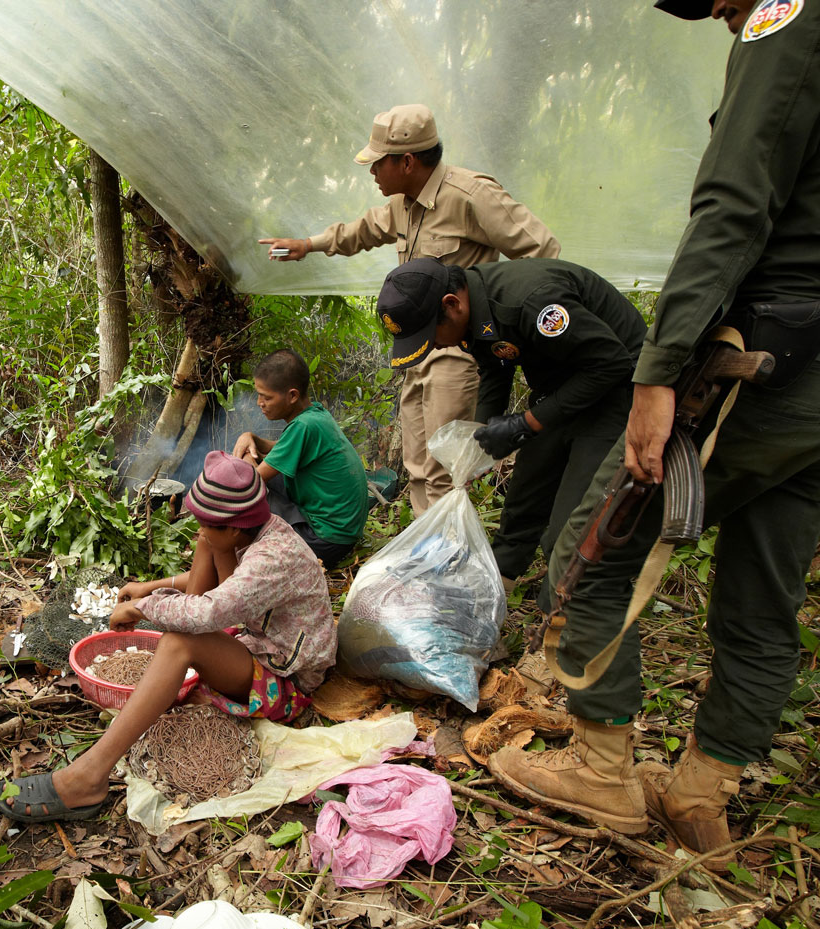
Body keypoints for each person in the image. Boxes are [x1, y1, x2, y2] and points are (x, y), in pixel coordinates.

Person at [487, 0, 820, 865]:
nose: (723, 18)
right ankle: (701, 793)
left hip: (759, 365)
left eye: (720, 4)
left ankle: (603, 765)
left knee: (593, 547)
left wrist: (660, 367)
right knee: (766, 597)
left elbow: (736, 197)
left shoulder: (802, 8)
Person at [0, 452, 335, 823]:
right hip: (251, 640)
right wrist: (151, 586)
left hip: (288, 682)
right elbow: (217, 591)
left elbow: (207, 611)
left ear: (235, 528)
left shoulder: (274, 558)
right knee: (204, 552)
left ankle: (88, 777)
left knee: (179, 641)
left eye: (209, 524)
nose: (200, 530)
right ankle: (157, 686)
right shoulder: (254, 529)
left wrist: (144, 606)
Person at [259, 104, 561, 515]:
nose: (372, 173)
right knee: (417, 466)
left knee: (445, 470)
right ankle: (424, 555)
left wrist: (502, 320)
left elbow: (543, 251)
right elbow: (362, 230)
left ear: (406, 161)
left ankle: (448, 562)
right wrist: (308, 245)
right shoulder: (405, 202)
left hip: (456, 352)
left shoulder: (471, 195)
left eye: (377, 164)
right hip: (417, 351)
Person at [375, 258, 641, 586]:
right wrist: (482, 435)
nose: (437, 347)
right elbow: (494, 366)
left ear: (451, 304)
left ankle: (567, 610)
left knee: (572, 529)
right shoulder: (473, 310)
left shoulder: (531, 301)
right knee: (523, 500)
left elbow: (611, 363)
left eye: (432, 336)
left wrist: (526, 424)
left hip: (616, 390)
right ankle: (496, 586)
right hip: (560, 388)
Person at [232, 348, 368, 567]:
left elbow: (250, 483)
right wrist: (250, 438)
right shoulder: (314, 415)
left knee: (246, 501)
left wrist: (247, 456)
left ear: (292, 395)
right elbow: (281, 448)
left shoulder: (304, 426)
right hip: (341, 533)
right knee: (257, 472)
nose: (259, 403)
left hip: (324, 539)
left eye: (266, 397)